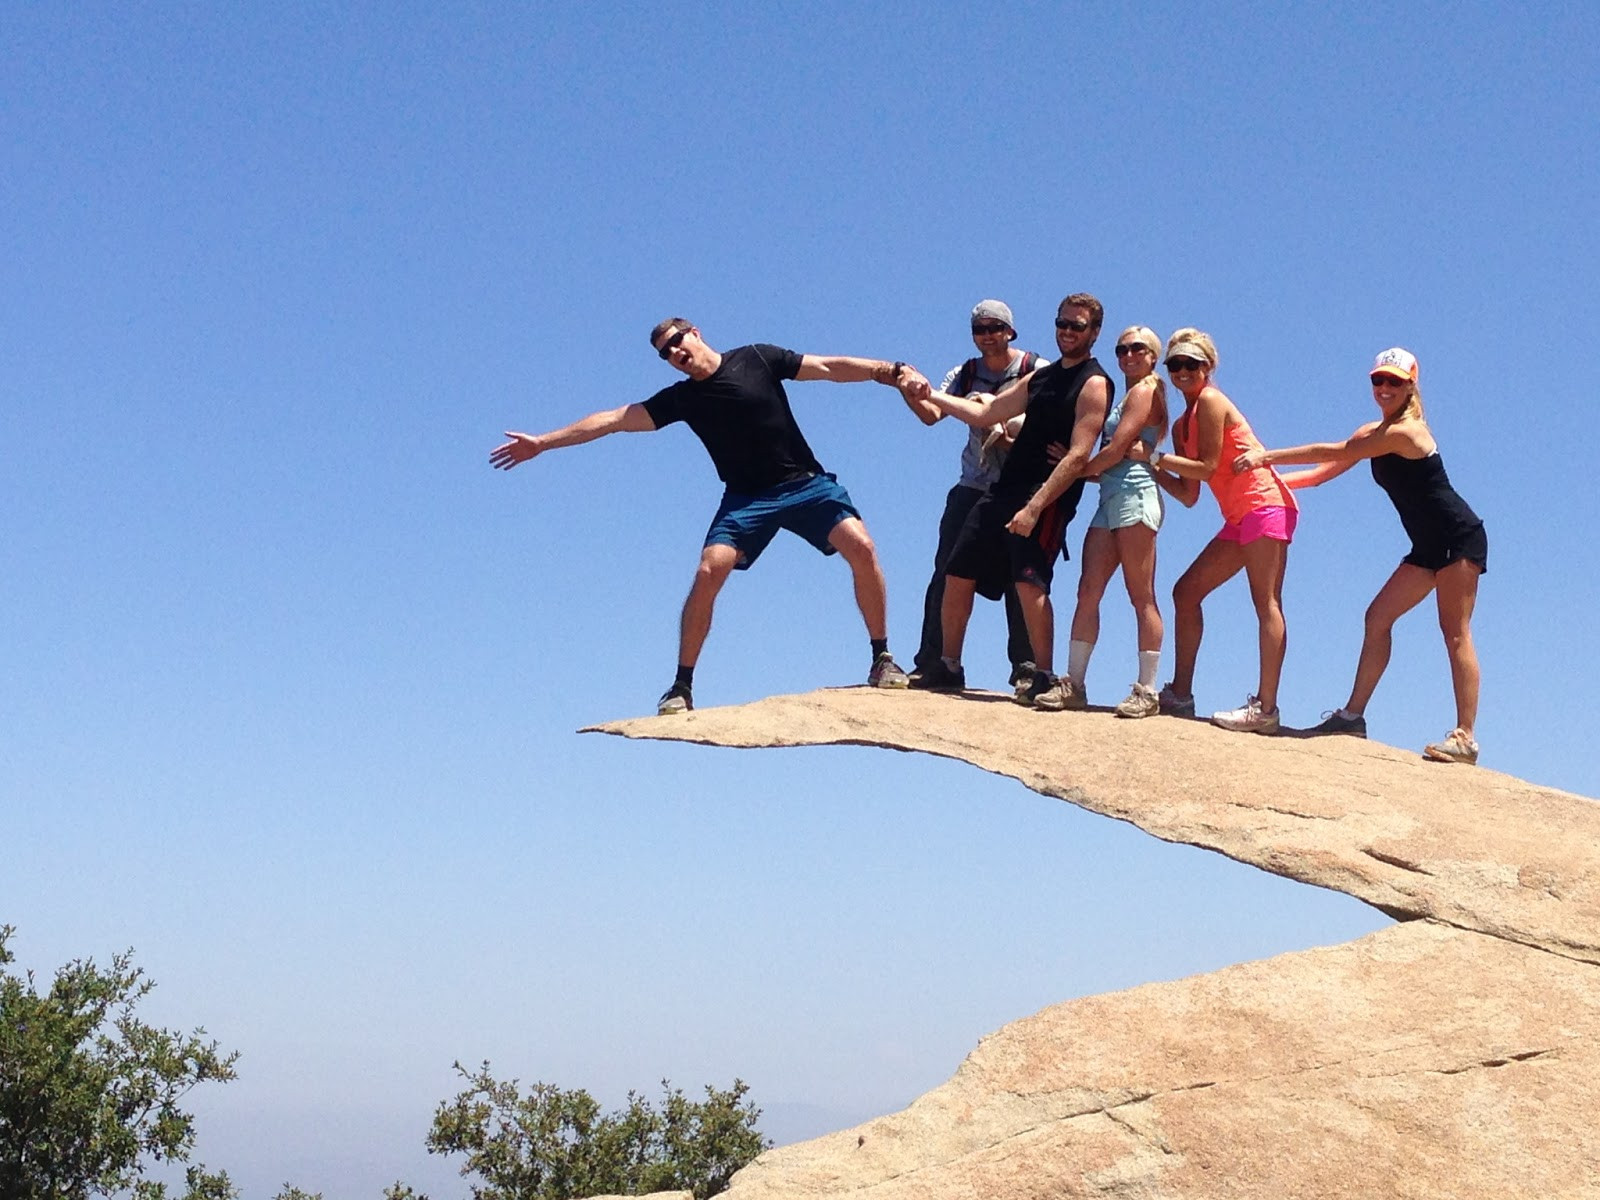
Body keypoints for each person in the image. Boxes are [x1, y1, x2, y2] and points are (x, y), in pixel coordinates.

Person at [490, 318, 924, 715]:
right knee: (708, 570)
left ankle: (881, 657)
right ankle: (681, 686)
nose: (674, 354)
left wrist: (891, 370)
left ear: (694, 333)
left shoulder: (757, 357)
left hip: (805, 485)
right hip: (746, 499)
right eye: (665, 354)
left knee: (862, 547)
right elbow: (615, 419)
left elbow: (829, 367)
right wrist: (543, 443)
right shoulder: (683, 399)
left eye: (676, 342)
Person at [1232, 348, 1487, 765]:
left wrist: (1266, 456)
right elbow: (1319, 474)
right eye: (1378, 381)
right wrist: (1261, 489)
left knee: (1454, 631)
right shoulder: (1373, 432)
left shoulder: (1406, 433)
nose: (1384, 388)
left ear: (1410, 388)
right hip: (1427, 546)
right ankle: (1352, 717)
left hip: (1458, 538)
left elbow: (1331, 451)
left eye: (1394, 382)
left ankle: (1465, 738)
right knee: (1378, 618)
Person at [905, 294, 1113, 709]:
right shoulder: (1042, 377)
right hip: (1004, 488)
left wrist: (1035, 506)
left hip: (1045, 495)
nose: (1067, 332)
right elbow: (987, 413)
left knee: (1029, 582)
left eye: (1077, 326)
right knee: (958, 570)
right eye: (1063, 324)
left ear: (1093, 332)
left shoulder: (1094, 382)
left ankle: (1043, 674)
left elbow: (1078, 454)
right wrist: (931, 393)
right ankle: (948, 664)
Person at [1133, 328, 1296, 733]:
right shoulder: (1183, 424)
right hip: (1240, 517)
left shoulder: (1210, 401)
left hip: (1263, 506)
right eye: (1176, 364)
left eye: (1193, 364)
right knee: (1186, 592)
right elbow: (1190, 494)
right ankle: (1181, 692)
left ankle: (1266, 710)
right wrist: (1153, 468)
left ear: (1208, 368)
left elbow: (1206, 467)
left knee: (1266, 602)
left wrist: (1155, 455)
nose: (1183, 371)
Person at [899, 300, 1049, 690]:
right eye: (980, 329)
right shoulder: (964, 374)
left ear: (1010, 331)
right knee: (948, 571)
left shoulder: (1037, 371)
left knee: (1024, 576)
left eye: (995, 327)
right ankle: (937, 661)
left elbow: (1054, 421)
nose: (988, 335)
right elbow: (932, 414)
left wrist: (1002, 417)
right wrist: (910, 391)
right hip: (975, 485)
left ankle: (1027, 667)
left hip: (1022, 487)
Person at [1055, 325, 1170, 717]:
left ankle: (1148, 690)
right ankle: (1074, 681)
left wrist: (1073, 470)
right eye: (1122, 349)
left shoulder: (1145, 391)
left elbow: (1119, 448)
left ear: (1153, 356)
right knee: (1089, 589)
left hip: (1135, 495)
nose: (1128, 355)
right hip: (1110, 496)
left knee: (1141, 595)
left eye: (1137, 348)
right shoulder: (1129, 394)